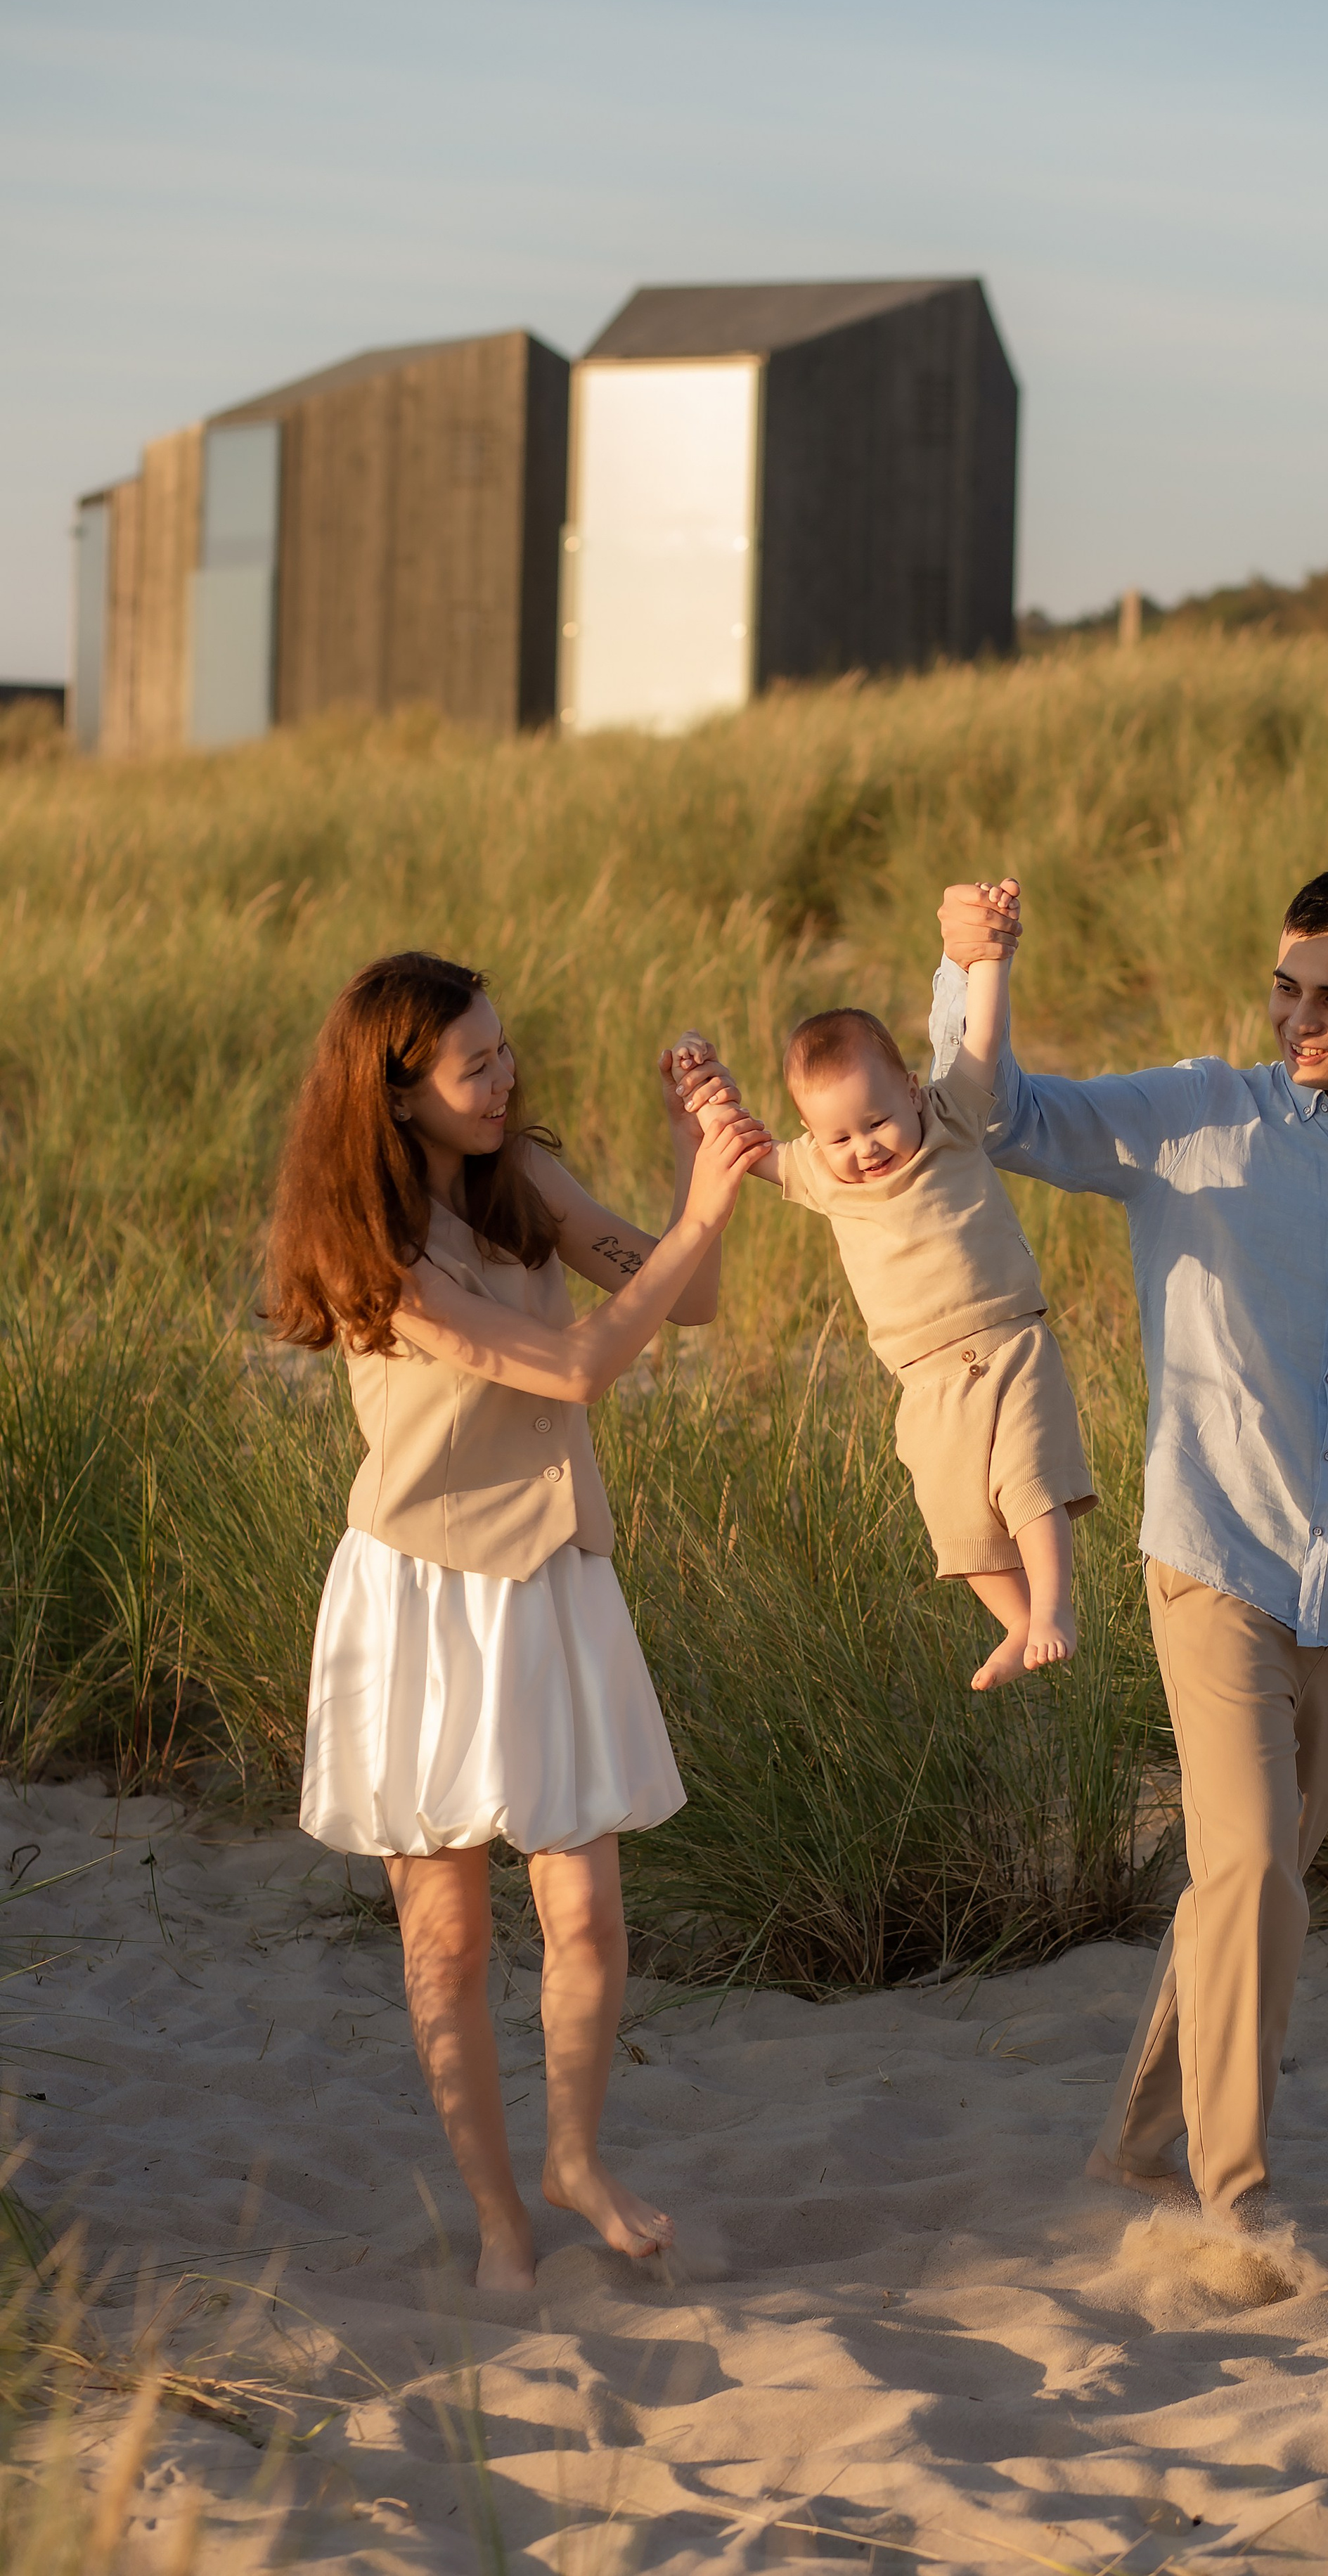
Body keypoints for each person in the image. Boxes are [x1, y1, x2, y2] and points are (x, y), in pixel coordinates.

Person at [929, 866, 1328, 2223]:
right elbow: (997, 1117)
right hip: (1212, 1557)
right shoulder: (1191, 1115)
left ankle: (1133, 2152)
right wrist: (974, 967)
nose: (1300, 1019)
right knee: (1254, 1872)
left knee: (1249, 1893)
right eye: (1286, 988)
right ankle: (1236, 2197)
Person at [264, 951, 770, 2289]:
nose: (503, 1079)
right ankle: (500, 2220)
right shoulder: (371, 1248)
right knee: (447, 1941)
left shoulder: (522, 1177)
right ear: (397, 1092)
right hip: (419, 1593)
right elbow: (578, 1365)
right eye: (474, 1064)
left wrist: (692, 1166)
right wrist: (704, 1212)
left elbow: (688, 1298)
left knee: (586, 1916)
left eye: (504, 1051)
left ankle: (575, 2161)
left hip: (548, 1576)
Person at [671, 918, 1096, 1690]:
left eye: (876, 1122)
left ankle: (1054, 1608)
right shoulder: (818, 1174)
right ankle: (1016, 1623)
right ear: (811, 1137)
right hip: (925, 1384)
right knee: (958, 1520)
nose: (863, 1147)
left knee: (1029, 1482)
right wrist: (705, 1088)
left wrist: (991, 961)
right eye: (838, 1137)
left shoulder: (953, 1118)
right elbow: (739, 1142)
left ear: (911, 1089)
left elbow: (983, 1037)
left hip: (1008, 1344)